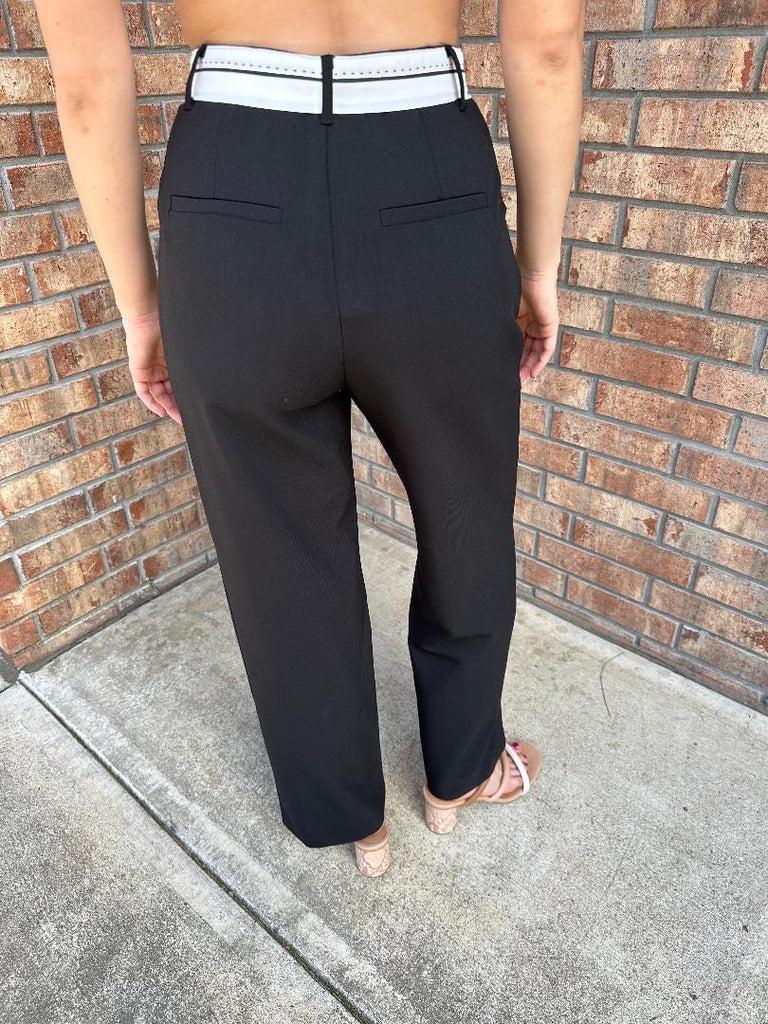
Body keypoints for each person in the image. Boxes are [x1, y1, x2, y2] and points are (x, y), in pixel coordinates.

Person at [35, 0, 585, 877]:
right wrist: (540, 267)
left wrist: (141, 308)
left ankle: (348, 818)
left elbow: (87, 83)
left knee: (277, 548)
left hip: (232, 196)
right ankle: (460, 774)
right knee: (466, 509)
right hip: (430, 188)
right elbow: (548, 44)